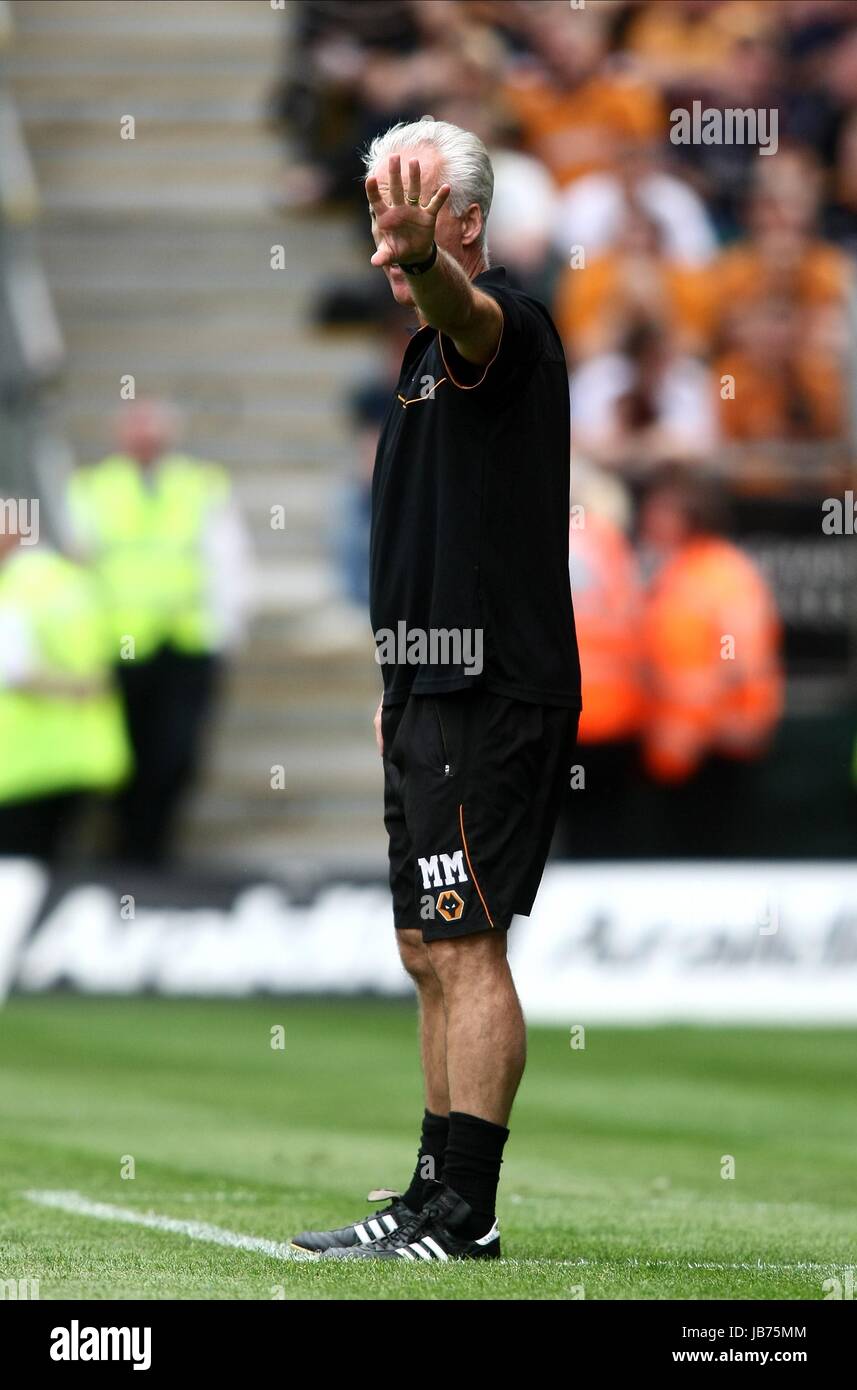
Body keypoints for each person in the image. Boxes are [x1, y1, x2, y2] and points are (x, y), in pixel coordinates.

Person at [290, 117, 581, 1261]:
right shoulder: (413, 362)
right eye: (375, 214)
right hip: (424, 686)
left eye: (408, 212)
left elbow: (467, 311)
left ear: (465, 221)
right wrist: (394, 678)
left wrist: (421, 265)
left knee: (466, 944)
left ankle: (469, 1210)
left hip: (490, 689)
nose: (386, 236)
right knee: (424, 944)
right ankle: (426, 1191)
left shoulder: (505, 328)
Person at [68, 400, 250, 865]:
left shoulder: (199, 486)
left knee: (176, 756)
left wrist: (225, 629)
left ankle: (151, 849)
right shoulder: (93, 490)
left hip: (186, 645)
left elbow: (228, 561)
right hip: (121, 649)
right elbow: (79, 571)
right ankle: (132, 851)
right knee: (124, 760)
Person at [0, 508, 130, 860]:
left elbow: (15, 671)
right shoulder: (78, 581)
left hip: (22, 764)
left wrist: (69, 687)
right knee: (66, 863)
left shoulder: (10, 588)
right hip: (86, 756)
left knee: (20, 874)